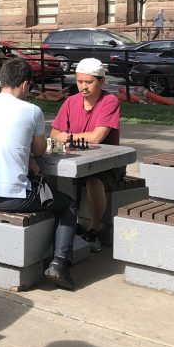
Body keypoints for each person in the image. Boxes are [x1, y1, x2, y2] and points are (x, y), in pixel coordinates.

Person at [0, 57, 79, 290]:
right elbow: (39, 150)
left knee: (43, 195)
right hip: (14, 197)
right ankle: (59, 263)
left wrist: (26, 155)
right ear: (25, 84)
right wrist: (31, 155)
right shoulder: (32, 110)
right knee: (67, 203)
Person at [49, 57, 123, 252]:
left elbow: (97, 137)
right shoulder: (70, 102)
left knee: (93, 181)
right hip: (75, 160)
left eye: (89, 82)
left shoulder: (110, 101)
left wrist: (68, 137)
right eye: (80, 81)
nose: (83, 86)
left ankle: (94, 230)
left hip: (107, 164)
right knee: (47, 172)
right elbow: (54, 133)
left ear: (102, 81)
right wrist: (62, 136)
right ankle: (57, 224)